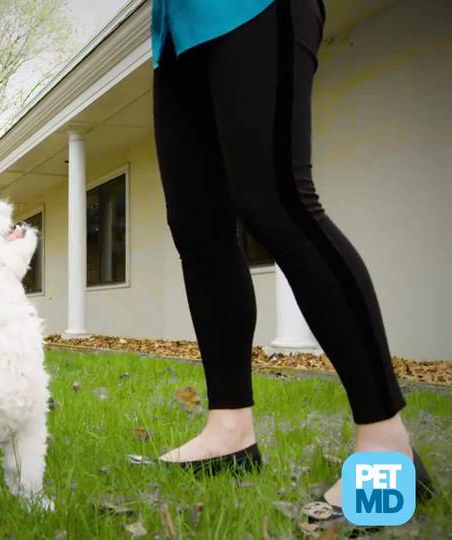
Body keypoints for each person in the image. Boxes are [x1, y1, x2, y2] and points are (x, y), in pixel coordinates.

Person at [149, 0, 433, 521]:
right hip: (175, 31)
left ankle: (386, 445)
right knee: (199, 232)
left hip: (251, 7)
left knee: (278, 202)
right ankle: (229, 431)